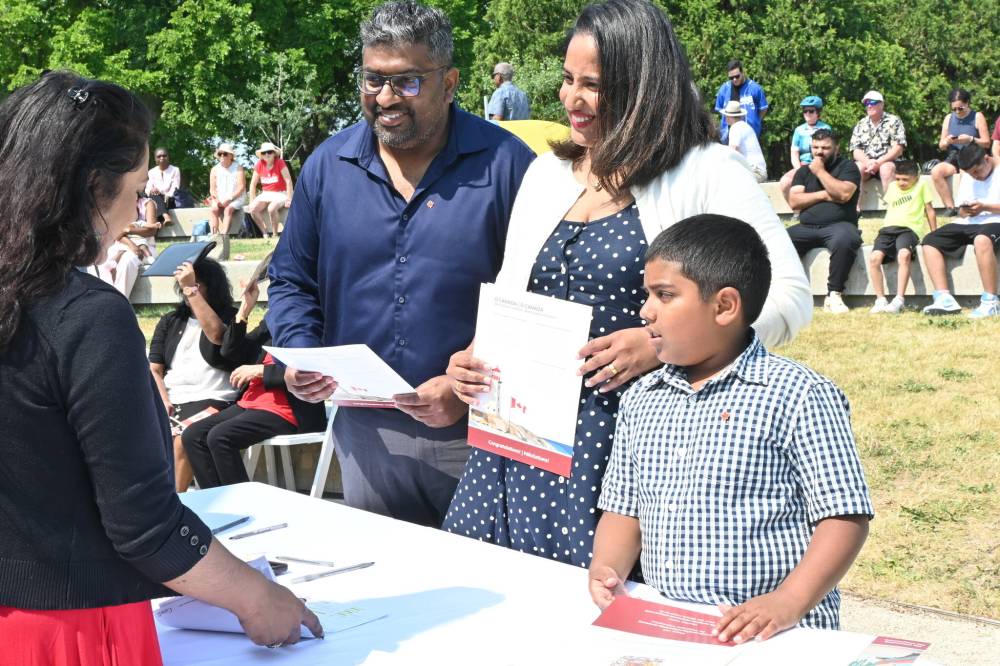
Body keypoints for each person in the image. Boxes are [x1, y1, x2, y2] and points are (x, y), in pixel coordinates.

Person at [444, 0, 811, 568]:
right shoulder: (544, 175)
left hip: (629, 455)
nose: (572, 98)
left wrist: (665, 347)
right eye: (568, 80)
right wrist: (477, 357)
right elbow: (516, 296)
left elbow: (788, 294)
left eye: (594, 84)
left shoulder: (705, 172)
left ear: (643, 87)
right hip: (518, 441)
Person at [0, 71, 320, 664]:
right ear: (95, 187)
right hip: (69, 628)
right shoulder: (88, 315)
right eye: (138, 185)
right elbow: (143, 524)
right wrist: (257, 599)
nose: (139, 206)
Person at [266, 1, 536, 527]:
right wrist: (300, 355)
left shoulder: (508, 165)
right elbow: (291, 280)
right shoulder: (327, 166)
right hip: (367, 436)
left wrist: (465, 392)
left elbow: (535, 298)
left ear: (450, 82)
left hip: (482, 432)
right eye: (373, 81)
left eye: (407, 82)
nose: (385, 99)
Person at [589, 214, 872, 640]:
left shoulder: (798, 394)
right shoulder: (641, 397)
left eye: (664, 295)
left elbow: (844, 515)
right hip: (672, 628)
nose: (645, 311)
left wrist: (788, 601)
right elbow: (623, 506)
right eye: (648, 294)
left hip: (773, 637)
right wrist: (607, 568)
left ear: (724, 306)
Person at [182, 268, 327, 488]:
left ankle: (243, 508)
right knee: (193, 435)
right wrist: (245, 309)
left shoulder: (317, 317)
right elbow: (232, 351)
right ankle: (216, 506)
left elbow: (316, 370)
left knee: (220, 437)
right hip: (252, 402)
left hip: (288, 408)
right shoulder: (276, 317)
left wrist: (260, 372)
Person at [149, 258, 240, 492]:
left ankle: (172, 506)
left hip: (214, 398)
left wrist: (192, 291)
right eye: (186, 285)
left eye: (197, 285)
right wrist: (162, 398)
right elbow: (154, 369)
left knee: (182, 442)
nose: (189, 289)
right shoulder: (171, 320)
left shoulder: (230, 316)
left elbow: (218, 336)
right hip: (172, 399)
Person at [787, 128, 862, 314]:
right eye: (815, 147)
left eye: (825, 148)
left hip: (839, 226)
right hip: (806, 227)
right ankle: (786, 294)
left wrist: (820, 172)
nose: (819, 152)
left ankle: (834, 294)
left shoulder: (848, 168)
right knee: (779, 241)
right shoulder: (804, 172)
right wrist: (824, 194)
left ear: (837, 148)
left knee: (846, 240)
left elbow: (844, 194)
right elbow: (794, 201)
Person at [921, 144, 1000, 318]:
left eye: (977, 172)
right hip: (970, 221)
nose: (975, 177)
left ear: (986, 159)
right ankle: (944, 298)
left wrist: (986, 206)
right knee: (930, 241)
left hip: (996, 221)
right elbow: (961, 210)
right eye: (971, 174)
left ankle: (991, 302)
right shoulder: (970, 175)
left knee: (981, 239)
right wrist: (965, 210)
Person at [868, 160, 937, 314]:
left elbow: (930, 211)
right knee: (874, 258)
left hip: (909, 229)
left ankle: (899, 299)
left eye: (905, 179)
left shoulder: (922, 186)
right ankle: (880, 300)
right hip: (887, 229)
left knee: (904, 255)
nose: (901, 183)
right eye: (898, 178)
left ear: (916, 177)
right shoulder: (893, 187)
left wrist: (934, 234)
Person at [930, 88, 991, 216]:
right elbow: (941, 146)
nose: (957, 111)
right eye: (954, 109)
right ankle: (951, 208)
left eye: (960, 108)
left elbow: (987, 142)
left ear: (967, 103)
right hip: (954, 156)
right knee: (936, 171)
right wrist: (946, 142)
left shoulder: (977, 116)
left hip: (972, 154)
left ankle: (968, 208)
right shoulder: (948, 118)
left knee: (966, 174)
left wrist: (970, 139)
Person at [850, 90, 906, 199]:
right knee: (856, 168)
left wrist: (879, 162)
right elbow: (855, 150)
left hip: (889, 162)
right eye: (866, 103)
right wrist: (867, 162)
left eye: (873, 102)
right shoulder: (861, 124)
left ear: (881, 104)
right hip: (867, 164)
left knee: (886, 168)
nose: (869, 106)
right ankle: (855, 210)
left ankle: (893, 207)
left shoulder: (894, 121)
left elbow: (898, 148)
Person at [780, 95, 831, 202]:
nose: (807, 114)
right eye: (805, 111)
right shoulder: (799, 130)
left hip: (820, 165)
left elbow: (828, 152)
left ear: (818, 113)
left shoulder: (826, 128)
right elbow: (794, 153)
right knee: (785, 182)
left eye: (811, 111)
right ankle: (796, 211)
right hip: (802, 165)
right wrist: (799, 170)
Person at [713, 58, 768, 144]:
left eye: (737, 76)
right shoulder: (724, 89)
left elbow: (763, 109)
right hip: (728, 137)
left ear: (742, 73)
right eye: (731, 77)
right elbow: (720, 110)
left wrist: (755, 121)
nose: (734, 79)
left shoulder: (754, 88)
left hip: (750, 136)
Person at [246, 141, 293, 240]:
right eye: (264, 153)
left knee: (271, 208)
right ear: (261, 155)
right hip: (266, 194)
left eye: (269, 152)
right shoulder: (259, 164)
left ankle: (275, 235)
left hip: (280, 193)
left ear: (274, 153)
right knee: (252, 209)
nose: (267, 154)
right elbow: (253, 184)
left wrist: (289, 199)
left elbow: (288, 181)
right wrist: (251, 201)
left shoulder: (280, 162)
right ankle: (265, 233)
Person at [722, 100, 767, 182]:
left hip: (754, 172)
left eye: (726, 115)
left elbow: (733, 151)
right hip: (758, 171)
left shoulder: (735, 127)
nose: (725, 118)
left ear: (729, 116)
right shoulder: (744, 126)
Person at [208, 142, 247, 234]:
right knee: (214, 210)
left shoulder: (238, 167)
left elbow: (241, 187)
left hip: (236, 198)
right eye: (220, 154)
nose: (222, 156)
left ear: (231, 156)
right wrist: (217, 200)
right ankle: (213, 235)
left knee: (228, 209)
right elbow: (212, 189)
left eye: (225, 154)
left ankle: (224, 235)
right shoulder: (214, 169)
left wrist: (229, 199)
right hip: (220, 198)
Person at [145, 146, 181, 223]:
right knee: (153, 196)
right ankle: (166, 216)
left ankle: (162, 219)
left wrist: (165, 195)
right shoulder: (151, 172)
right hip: (156, 198)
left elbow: (175, 187)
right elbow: (147, 189)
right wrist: (152, 190)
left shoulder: (175, 170)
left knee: (156, 198)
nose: (162, 158)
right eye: (159, 156)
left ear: (168, 157)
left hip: (170, 199)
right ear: (155, 159)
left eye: (164, 156)